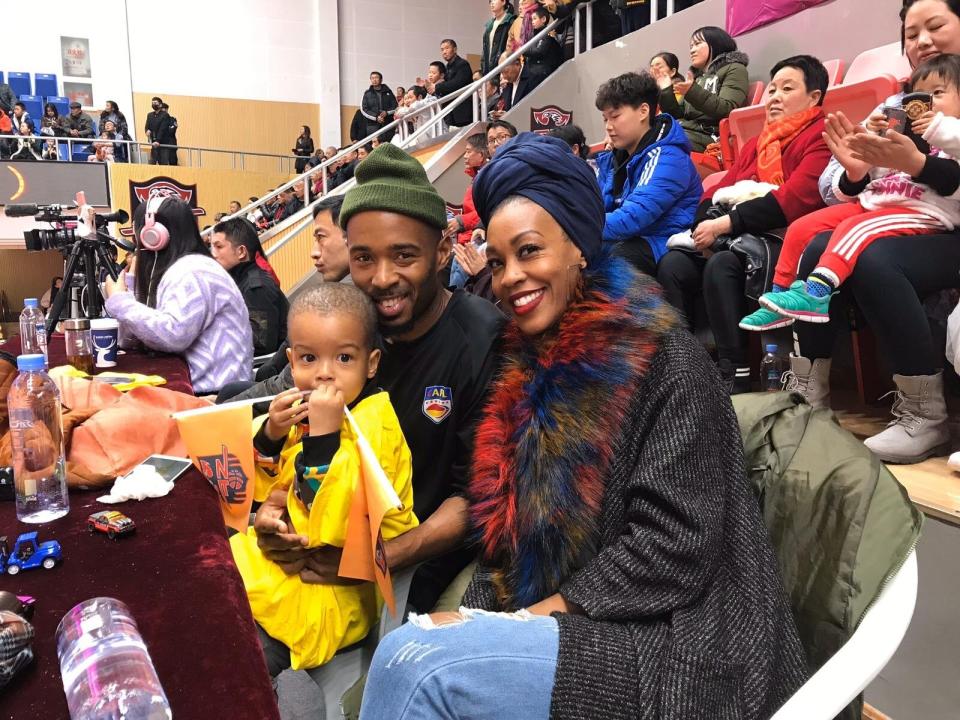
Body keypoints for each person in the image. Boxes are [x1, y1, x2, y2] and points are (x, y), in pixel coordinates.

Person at [359, 132, 807, 720]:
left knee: (416, 666)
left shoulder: (665, 357)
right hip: (586, 624)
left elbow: (675, 549)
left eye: (529, 251)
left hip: (679, 641)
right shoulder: (526, 364)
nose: (511, 277)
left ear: (578, 248)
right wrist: (478, 625)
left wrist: (518, 622)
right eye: (497, 263)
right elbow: (506, 537)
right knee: (413, 649)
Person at [248, 144, 504, 614]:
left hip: (415, 562)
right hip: (319, 543)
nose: (382, 278)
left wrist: (383, 556)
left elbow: (475, 496)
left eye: (404, 255)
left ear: (444, 249)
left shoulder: (483, 339)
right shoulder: (348, 324)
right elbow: (287, 439)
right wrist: (273, 512)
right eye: (364, 258)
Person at [787, 0, 960, 464]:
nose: (921, 41)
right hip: (902, 220)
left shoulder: (945, 114)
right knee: (816, 243)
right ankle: (809, 392)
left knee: (874, 257)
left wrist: (922, 163)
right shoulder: (895, 107)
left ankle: (924, 412)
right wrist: (854, 173)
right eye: (910, 32)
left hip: (948, 226)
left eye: (935, 26)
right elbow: (833, 188)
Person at [231, 282, 417, 675]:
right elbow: (267, 490)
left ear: (371, 363)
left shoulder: (376, 424)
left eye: (344, 358)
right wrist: (271, 437)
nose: (324, 375)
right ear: (290, 361)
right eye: (309, 358)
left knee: (243, 655)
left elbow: (332, 523)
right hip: (280, 567)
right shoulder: (303, 413)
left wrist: (324, 438)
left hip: (328, 594)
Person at [743, 54, 960, 332]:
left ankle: (816, 294)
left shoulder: (948, 130)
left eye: (937, 94)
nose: (923, 103)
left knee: (853, 227)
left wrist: (935, 128)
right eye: (917, 96)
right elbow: (861, 181)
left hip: (924, 212)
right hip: (875, 203)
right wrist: (867, 148)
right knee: (801, 228)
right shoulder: (899, 130)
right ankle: (778, 297)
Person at [657, 55, 831, 392]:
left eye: (787, 88)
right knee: (674, 264)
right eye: (772, 90)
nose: (774, 97)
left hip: (787, 238)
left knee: (723, 263)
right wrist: (704, 225)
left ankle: (733, 372)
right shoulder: (758, 144)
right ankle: (687, 369)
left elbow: (795, 201)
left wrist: (724, 226)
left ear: (815, 97)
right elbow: (716, 193)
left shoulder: (820, 136)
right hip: (741, 236)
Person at [102, 197, 253, 394]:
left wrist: (121, 302)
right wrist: (130, 286)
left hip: (215, 399)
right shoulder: (182, 268)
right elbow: (129, 342)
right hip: (204, 391)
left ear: (153, 235)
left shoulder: (193, 271)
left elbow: (172, 335)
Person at [594, 71, 703, 276]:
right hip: (635, 238)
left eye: (615, 116)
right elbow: (597, 205)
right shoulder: (614, 158)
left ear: (643, 111)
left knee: (601, 260)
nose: (608, 127)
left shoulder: (668, 156)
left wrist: (576, 227)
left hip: (665, 243)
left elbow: (633, 217)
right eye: (605, 119)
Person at [656, 26, 749, 152]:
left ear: (715, 43)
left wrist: (692, 91)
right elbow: (677, 115)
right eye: (691, 46)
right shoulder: (697, 78)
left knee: (657, 140)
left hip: (710, 137)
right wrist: (666, 90)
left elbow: (727, 108)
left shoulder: (735, 68)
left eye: (697, 44)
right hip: (687, 132)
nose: (692, 50)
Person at [211, 217, 288, 357]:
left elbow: (260, 345)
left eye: (219, 246)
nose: (213, 254)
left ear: (241, 252)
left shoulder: (257, 287)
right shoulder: (239, 280)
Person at [448, 133, 491, 289]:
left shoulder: (488, 176)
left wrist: (461, 221)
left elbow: (487, 209)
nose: (465, 156)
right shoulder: (477, 176)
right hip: (467, 237)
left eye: (468, 151)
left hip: (474, 239)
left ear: (481, 155)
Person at [428, 39, 474, 127]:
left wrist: (437, 87)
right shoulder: (446, 67)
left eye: (447, 48)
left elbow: (458, 83)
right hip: (450, 111)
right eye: (442, 50)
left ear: (455, 49)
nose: (444, 52)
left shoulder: (463, 64)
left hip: (462, 111)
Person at [523, 6, 564, 88]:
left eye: (535, 18)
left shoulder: (546, 36)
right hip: (534, 73)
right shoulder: (534, 36)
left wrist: (523, 50)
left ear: (543, 19)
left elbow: (539, 51)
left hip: (542, 75)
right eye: (532, 20)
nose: (532, 22)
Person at [482, 0, 517, 76]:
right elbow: (485, 50)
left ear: (504, 2)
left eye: (494, 0)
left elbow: (513, 45)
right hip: (489, 70)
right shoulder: (489, 25)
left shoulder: (511, 21)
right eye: (490, 1)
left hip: (504, 68)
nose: (492, 3)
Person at [360, 72, 398, 141]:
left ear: (381, 79)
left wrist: (387, 112)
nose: (374, 80)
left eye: (376, 78)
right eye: (372, 78)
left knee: (388, 146)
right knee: (375, 147)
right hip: (373, 126)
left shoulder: (389, 92)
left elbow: (395, 106)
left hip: (388, 124)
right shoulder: (367, 93)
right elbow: (364, 109)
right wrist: (376, 117)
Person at [144, 97, 169, 164]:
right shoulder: (150, 115)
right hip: (153, 143)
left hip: (162, 143)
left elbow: (162, 129)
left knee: (163, 163)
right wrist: (146, 131)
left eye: (155, 103)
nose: (153, 104)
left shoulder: (165, 115)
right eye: (152, 103)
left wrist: (158, 140)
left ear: (160, 105)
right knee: (152, 163)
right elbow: (147, 126)